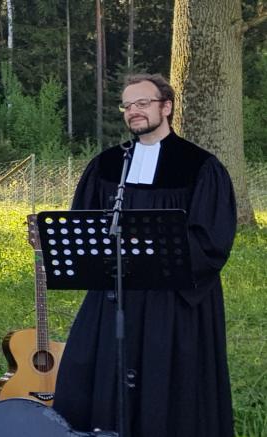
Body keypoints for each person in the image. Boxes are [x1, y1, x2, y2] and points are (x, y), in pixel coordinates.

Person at [52, 73, 236, 437]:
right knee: (87, 367)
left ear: (166, 107)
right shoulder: (106, 166)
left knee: (164, 381)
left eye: (143, 103)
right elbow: (80, 225)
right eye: (127, 105)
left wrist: (154, 255)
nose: (133, 111)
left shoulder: (199, 166)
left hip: (172, 300)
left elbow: (211, 239)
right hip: (114, 293)